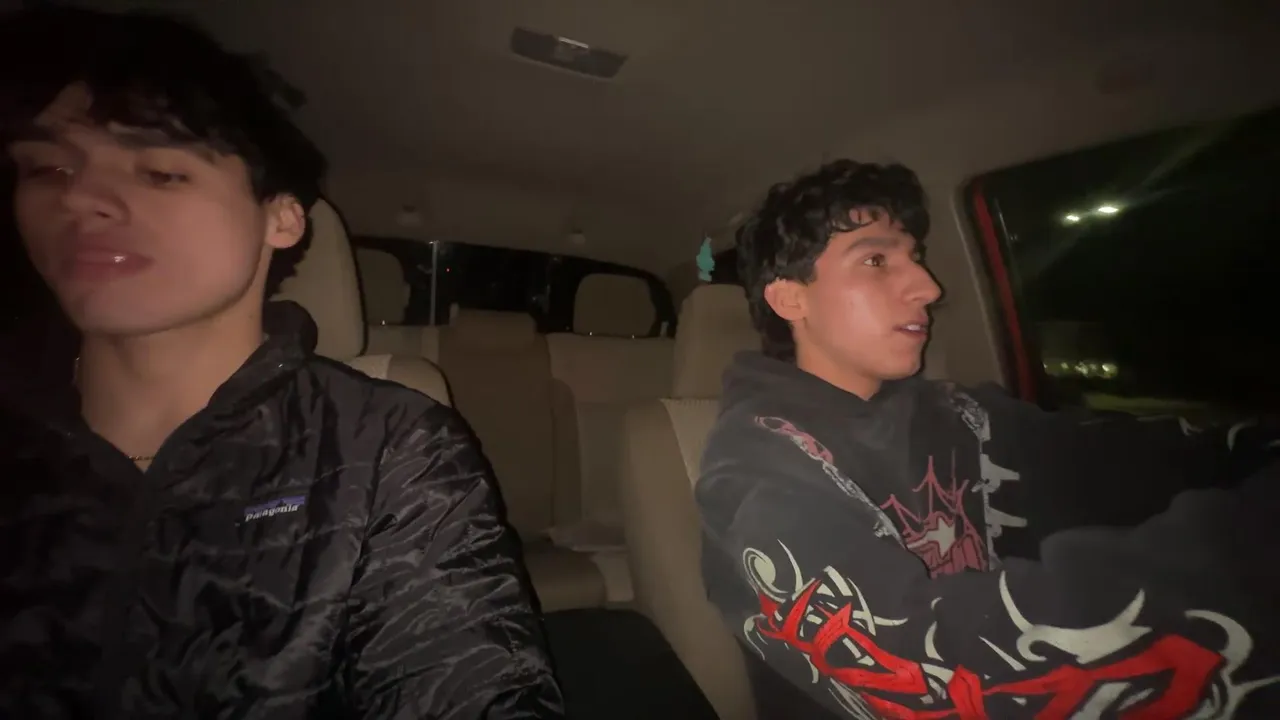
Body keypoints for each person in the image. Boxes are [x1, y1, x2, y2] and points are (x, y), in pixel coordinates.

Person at [0, 7, 563, 718]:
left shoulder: (384, 449)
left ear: (282, 217)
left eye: (161, 172)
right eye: (45, 167)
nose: (78, 197)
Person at [696, 159, 1280, 719]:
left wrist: (1246, 449)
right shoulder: (755, 472)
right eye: (875, 260)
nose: (927, 287)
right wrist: (1247, 562)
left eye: (915, 258)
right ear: (790, 298)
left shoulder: (957, 413)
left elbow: (1111, 458)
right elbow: (921, 664)